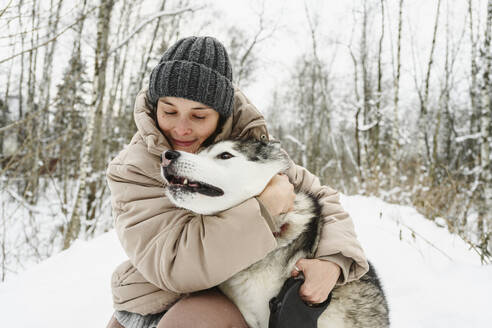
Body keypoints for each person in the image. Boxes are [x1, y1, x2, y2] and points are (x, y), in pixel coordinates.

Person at [106, 36, 369, 328]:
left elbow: (323, 198)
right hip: (163, 293)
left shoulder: (248, 143)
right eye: (169, 111)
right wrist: (264, 210)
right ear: (155, 107)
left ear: (220, 117)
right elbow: (174, 266)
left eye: (199, 115)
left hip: (224, 298)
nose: (181, 128)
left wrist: (333, 262)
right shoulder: (133, 169)